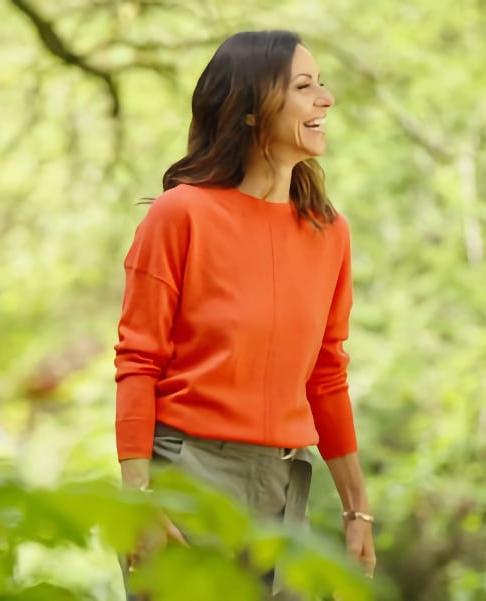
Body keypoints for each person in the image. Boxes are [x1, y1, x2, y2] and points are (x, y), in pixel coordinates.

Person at [114, 30, 376, 599]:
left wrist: (358, 512)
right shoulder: (180, 215)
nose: (325, 99)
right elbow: (138, 361)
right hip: (187, 479)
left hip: (285, 490)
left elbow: (326, 374)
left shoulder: (328, 232)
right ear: (253, 111)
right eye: (304, 86)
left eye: (321, 85)